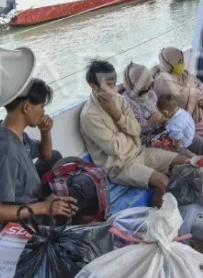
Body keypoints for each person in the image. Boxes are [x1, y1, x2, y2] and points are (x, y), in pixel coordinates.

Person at [79, 60, 189, 206]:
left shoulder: (119, 101)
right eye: (108, 86)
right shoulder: (90, 115)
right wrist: (127, 132)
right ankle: (159, 219)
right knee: (162, 182)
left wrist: (117, 115)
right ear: (94, 87)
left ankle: (179, 206)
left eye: (114, 84)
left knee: (184, 162)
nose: (113, 90)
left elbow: (136, 130)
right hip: (119, 166)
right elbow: (113, 148)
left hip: (139, 152)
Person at [0, 79, 70, 226]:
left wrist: (45, 132)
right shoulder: (5, 151)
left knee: (56, 157)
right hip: (25, 220)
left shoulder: (14, 133)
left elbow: (45, 155)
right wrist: (44, 208)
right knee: (78, 201)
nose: (44, 111)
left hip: (31, 200)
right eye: (42, 106)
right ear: (26, 108)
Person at [122, 63, 203, 154]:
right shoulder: (126, 103)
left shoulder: (148, 91)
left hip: (167, 126)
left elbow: (163, 111)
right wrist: (160, 118)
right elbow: (137, 130)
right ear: (136, 84)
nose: (151, 80)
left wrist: (161, 116)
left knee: (201, 142)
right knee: (185, 153)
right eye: (145, 80)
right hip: (151, 137)